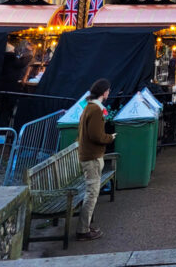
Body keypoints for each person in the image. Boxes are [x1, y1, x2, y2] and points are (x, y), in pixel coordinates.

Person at [77, 78, 115, 241]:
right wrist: (110, 138)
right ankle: (83, 230)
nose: (109, 93)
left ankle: (85, 225)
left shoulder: (89, 107)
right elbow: (96, 135)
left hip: (89, 154)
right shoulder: (95, 110)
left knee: (92, 192)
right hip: (92, 156)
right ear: (104, 92)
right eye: (108, 90)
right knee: (92, 193)